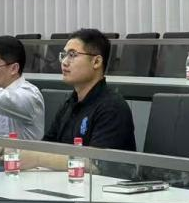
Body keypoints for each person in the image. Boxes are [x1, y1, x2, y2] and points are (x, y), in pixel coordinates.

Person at [21, 28, 135, 170]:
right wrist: (14, 149)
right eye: (64, 55)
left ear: (96, 62)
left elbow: (97, 164)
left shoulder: (112, 107)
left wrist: (38, 159)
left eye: (72, 55)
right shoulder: (70, 103)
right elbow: (48, 145)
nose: (64, 62)